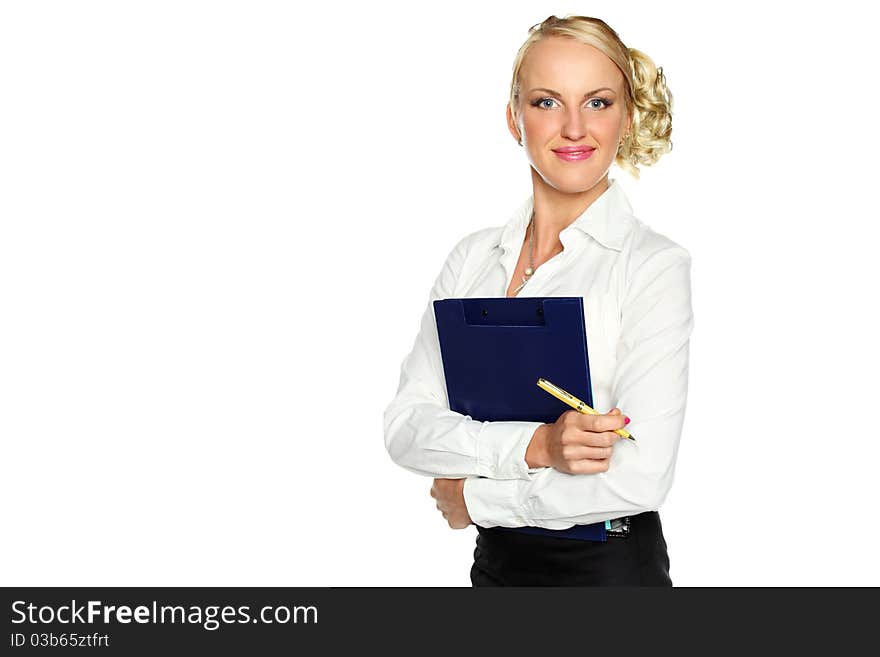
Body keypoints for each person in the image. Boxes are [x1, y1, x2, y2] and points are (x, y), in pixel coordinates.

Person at [383, 14, 693, 586]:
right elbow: (407, 427)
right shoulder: (472, 260)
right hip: (497, 570)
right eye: (548, 102)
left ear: (625, 119)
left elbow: (639, 476)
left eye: (598, 102)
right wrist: (538, 445)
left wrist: (477, 501)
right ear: (513, 118)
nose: (574, 128)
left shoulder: (651, 266)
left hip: (609, 576)